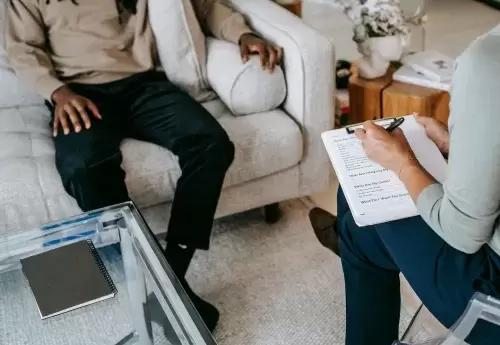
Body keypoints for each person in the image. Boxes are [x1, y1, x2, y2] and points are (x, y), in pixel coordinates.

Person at [5, 0, 282, 332]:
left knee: (211, 145)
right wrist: (57, 92)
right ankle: (162, 283)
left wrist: (243, 33)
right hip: (76, 92)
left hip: (144, 84)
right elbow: (23, 48)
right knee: (83, 169)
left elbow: (205, 7)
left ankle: (169, 277)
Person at [309, 28, 500, 345]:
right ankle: (355, 241)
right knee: (361, 212)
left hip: (491, 300)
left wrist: (401, 161)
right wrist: (460, 145)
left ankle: (352, 242)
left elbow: (463, 232)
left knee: (363, 209)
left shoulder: (488, 61)